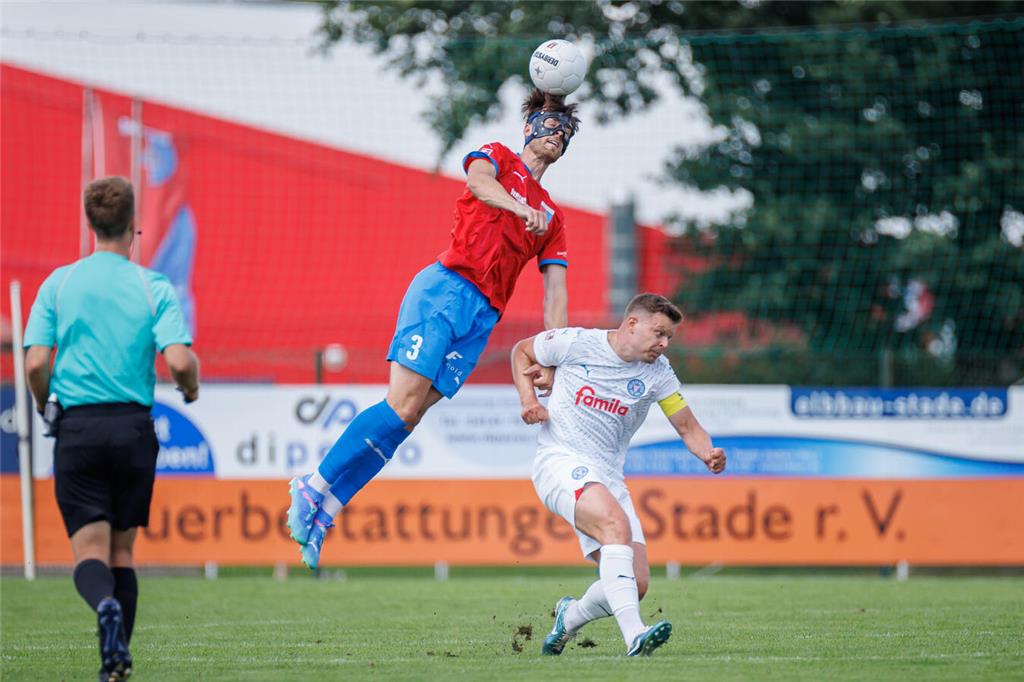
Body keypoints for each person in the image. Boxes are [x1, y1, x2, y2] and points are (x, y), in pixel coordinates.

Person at [286, 89, 581, 569]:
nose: (557, 134)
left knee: (410, 417)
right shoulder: (499, 159)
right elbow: (479, 182)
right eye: (550, 124)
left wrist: (553, 354)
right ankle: (312, 486)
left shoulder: (552, 217)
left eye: (565, 131)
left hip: (483, 316)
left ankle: (327, 511)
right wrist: (515, 207)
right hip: (446, 289)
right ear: (528, 128)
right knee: (400, 404)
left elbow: (555, 292)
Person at [23, 176, 199, 682]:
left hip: (77, 427)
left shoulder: (58, 283)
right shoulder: (152, 286)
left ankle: (103, 608)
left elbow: (36, 363)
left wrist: (43, 405)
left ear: (90, 224)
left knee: (89, 553)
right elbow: (181, 361)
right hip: (132, 429)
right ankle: (117, 663)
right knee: (123, 552)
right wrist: (189, 390)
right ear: (132, 226)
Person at [510, 293, 726, 657]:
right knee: (615, 526)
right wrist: (529, 401)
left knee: (636, 583)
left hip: (608, 477)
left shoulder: (658, 373)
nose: (664, 343)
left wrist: (708, 452)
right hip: (559, 461)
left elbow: (688, 426)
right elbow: (521, 350)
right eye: (659, 333)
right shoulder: (576, 343)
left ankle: (570, 617)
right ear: (631, 324)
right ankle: (635, 636)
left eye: (669, 337)